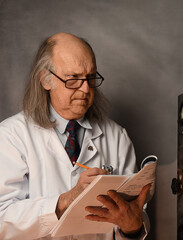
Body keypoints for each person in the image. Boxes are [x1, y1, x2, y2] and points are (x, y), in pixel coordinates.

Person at [0, 32, 150, 240]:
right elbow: (2, 220)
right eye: (73, 79)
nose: (86, 89)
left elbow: (134, 218)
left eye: (90, 77)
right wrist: (66, 200)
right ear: (45, 80)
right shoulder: (11, 136)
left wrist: (132, 227)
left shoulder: (116, 137)